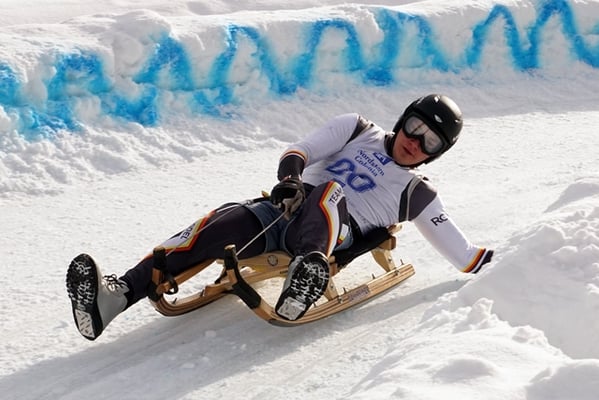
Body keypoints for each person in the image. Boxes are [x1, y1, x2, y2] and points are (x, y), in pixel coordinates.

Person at [66, 93, 494, 340]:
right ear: (403, 120)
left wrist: (519, 259)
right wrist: (290, 181)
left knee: (330, 191)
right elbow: (300, 151)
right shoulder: (357, 128)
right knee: (220, 223)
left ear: (437, 154)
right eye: (416, 128)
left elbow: (466, 256)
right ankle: (115, 297)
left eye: (430, 142)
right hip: (281, 213)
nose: (416, 143)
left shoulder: (418, 193)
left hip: (330, 237)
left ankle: (305, 279)